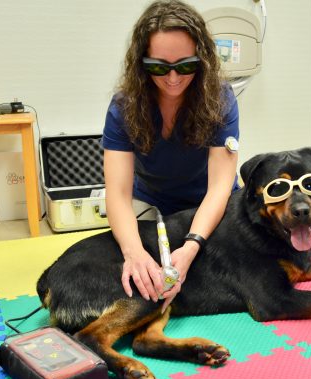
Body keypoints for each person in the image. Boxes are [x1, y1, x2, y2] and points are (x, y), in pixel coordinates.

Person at [101, 0, 240, 312]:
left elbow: (220, 186)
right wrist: (133, 252)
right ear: (142, 63)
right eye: (159, 67)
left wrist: (192, 246)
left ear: (201, 60)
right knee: (130, 267)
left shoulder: (221, 99)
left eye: (186, 66)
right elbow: (118, 194)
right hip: (151, 201)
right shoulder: (123, 107)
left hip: (210, 200)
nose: (174, 78)